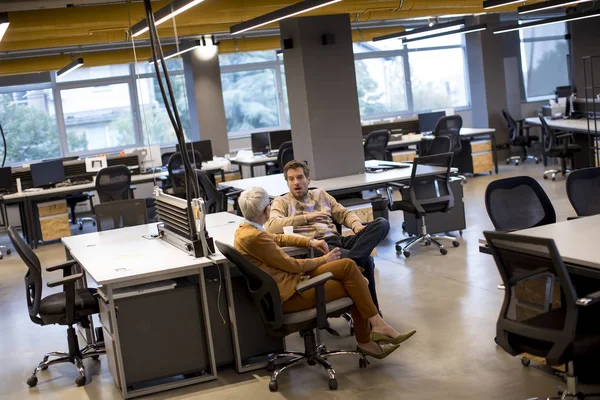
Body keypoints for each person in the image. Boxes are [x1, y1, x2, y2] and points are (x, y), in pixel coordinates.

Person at [234, 186, 416, 358]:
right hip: (291, 294)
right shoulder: (255, 237)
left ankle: (377, 325)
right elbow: (292, 265)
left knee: (347, 266)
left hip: (291, 283)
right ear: (267, 210)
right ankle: (366, 340)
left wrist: (308, 242)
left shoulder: (246, 230)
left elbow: (277, 237)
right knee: (360, 283)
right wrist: (323, 260)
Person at [264, 160, 389, 312]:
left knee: (382, 223)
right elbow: (271, 226)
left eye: (300, 177)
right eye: (291, 179)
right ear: (287, 182)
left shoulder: (320, 194)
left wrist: (356, 225)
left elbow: (343, 213)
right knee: (368, 261)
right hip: (317, 247)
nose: (296, 182)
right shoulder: (281, 201)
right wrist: (306, 218)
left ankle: (354, 262)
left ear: (308, 180)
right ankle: (373, 315)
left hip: (338, 240)